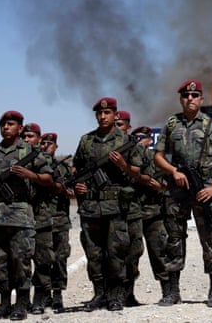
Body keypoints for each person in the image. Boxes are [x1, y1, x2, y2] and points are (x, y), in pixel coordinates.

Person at [154, 80, 212, 308]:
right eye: (186, 96)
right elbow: (158, 156)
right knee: (174, 239)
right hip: (178, 190)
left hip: (204, 190)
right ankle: (173, 292)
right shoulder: (171, 124)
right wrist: (173, 171)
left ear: (201, 99)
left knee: (209, 238)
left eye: (195, 95)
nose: (190, 99)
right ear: (181, 99)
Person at [72, 97, 145, 312]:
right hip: (91, 206)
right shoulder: (86, 140)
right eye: (99, 113)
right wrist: (79, 186)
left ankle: (115, 295)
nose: (103, 117)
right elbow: (77, 168)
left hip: (116, 205)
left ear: (115, 114)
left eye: (107, 113)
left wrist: (123, 165)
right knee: (94, 252)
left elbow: (137, 172)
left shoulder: (126, 141)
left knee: (116, 251)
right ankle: (99, 294)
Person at [0, 111, 54, 320]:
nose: (6, 127)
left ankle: (21, 304)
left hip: (21, 214)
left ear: (20, 128)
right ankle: (4, 304)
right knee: (0, 263)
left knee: (21, 261)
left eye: (11, 124)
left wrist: (31, 175)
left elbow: (48, 178)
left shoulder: (29, 151)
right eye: (3, 124)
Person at [131, 126, 172, 305]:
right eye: (136, 138)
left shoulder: (156, 160)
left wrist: (160, 188)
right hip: (132, 212)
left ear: (149, 140)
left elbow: (168, 185)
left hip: (154, 212)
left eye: (142, 138)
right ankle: (127, 293)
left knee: (160, 252)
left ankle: (168, 291)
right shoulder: (129, 159)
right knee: (131, 253)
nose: (139, 141)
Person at [21, 122, 57, 315]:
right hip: (19, 218)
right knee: (21, 261)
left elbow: (51, 181)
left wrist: (31, 175)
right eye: (24, 136)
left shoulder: (44, 159)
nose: (27, 140)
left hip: (41, 216)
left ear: (39, 138)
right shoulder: (16, 158)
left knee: (43, 260)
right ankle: (23, 300)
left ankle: (40, 298)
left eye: (31, 136)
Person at [114, 110, 146, 307]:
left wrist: (124, 165)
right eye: (115, 123)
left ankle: (129, 293)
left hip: (132, 208)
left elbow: (145, 178)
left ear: (128, 127)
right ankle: (110, 295)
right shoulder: (102, 147)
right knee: (112, 252)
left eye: (120, 124)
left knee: (134, 251)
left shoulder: (137, 150)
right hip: (110, 209)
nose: (117, 127)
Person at [39, 132, 73, 311]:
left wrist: (63, 189)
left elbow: (73, 191)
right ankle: (44, 294)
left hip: (59, 218)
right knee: (43, 259)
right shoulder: (36, 166)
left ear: (56, 147)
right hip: (41, 219)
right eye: (43, 143)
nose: (45, 146)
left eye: (49, 144)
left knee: (60, 258)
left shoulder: (64, 168)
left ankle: (57, 293)